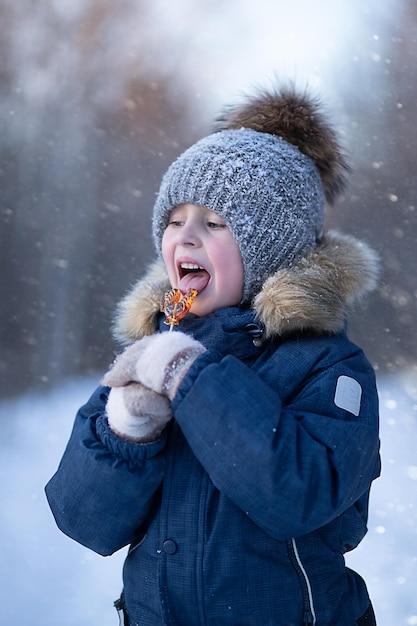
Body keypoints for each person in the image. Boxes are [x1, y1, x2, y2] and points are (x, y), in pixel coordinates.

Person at [46, 83, 381, 626]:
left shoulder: (329, 367)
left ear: (270, 244)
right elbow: (84, 520)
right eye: (174, 220)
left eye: (215, 222)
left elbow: (300, 496)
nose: (186, 237)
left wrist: (193, 379)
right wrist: (129, 433)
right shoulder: (151, 350)